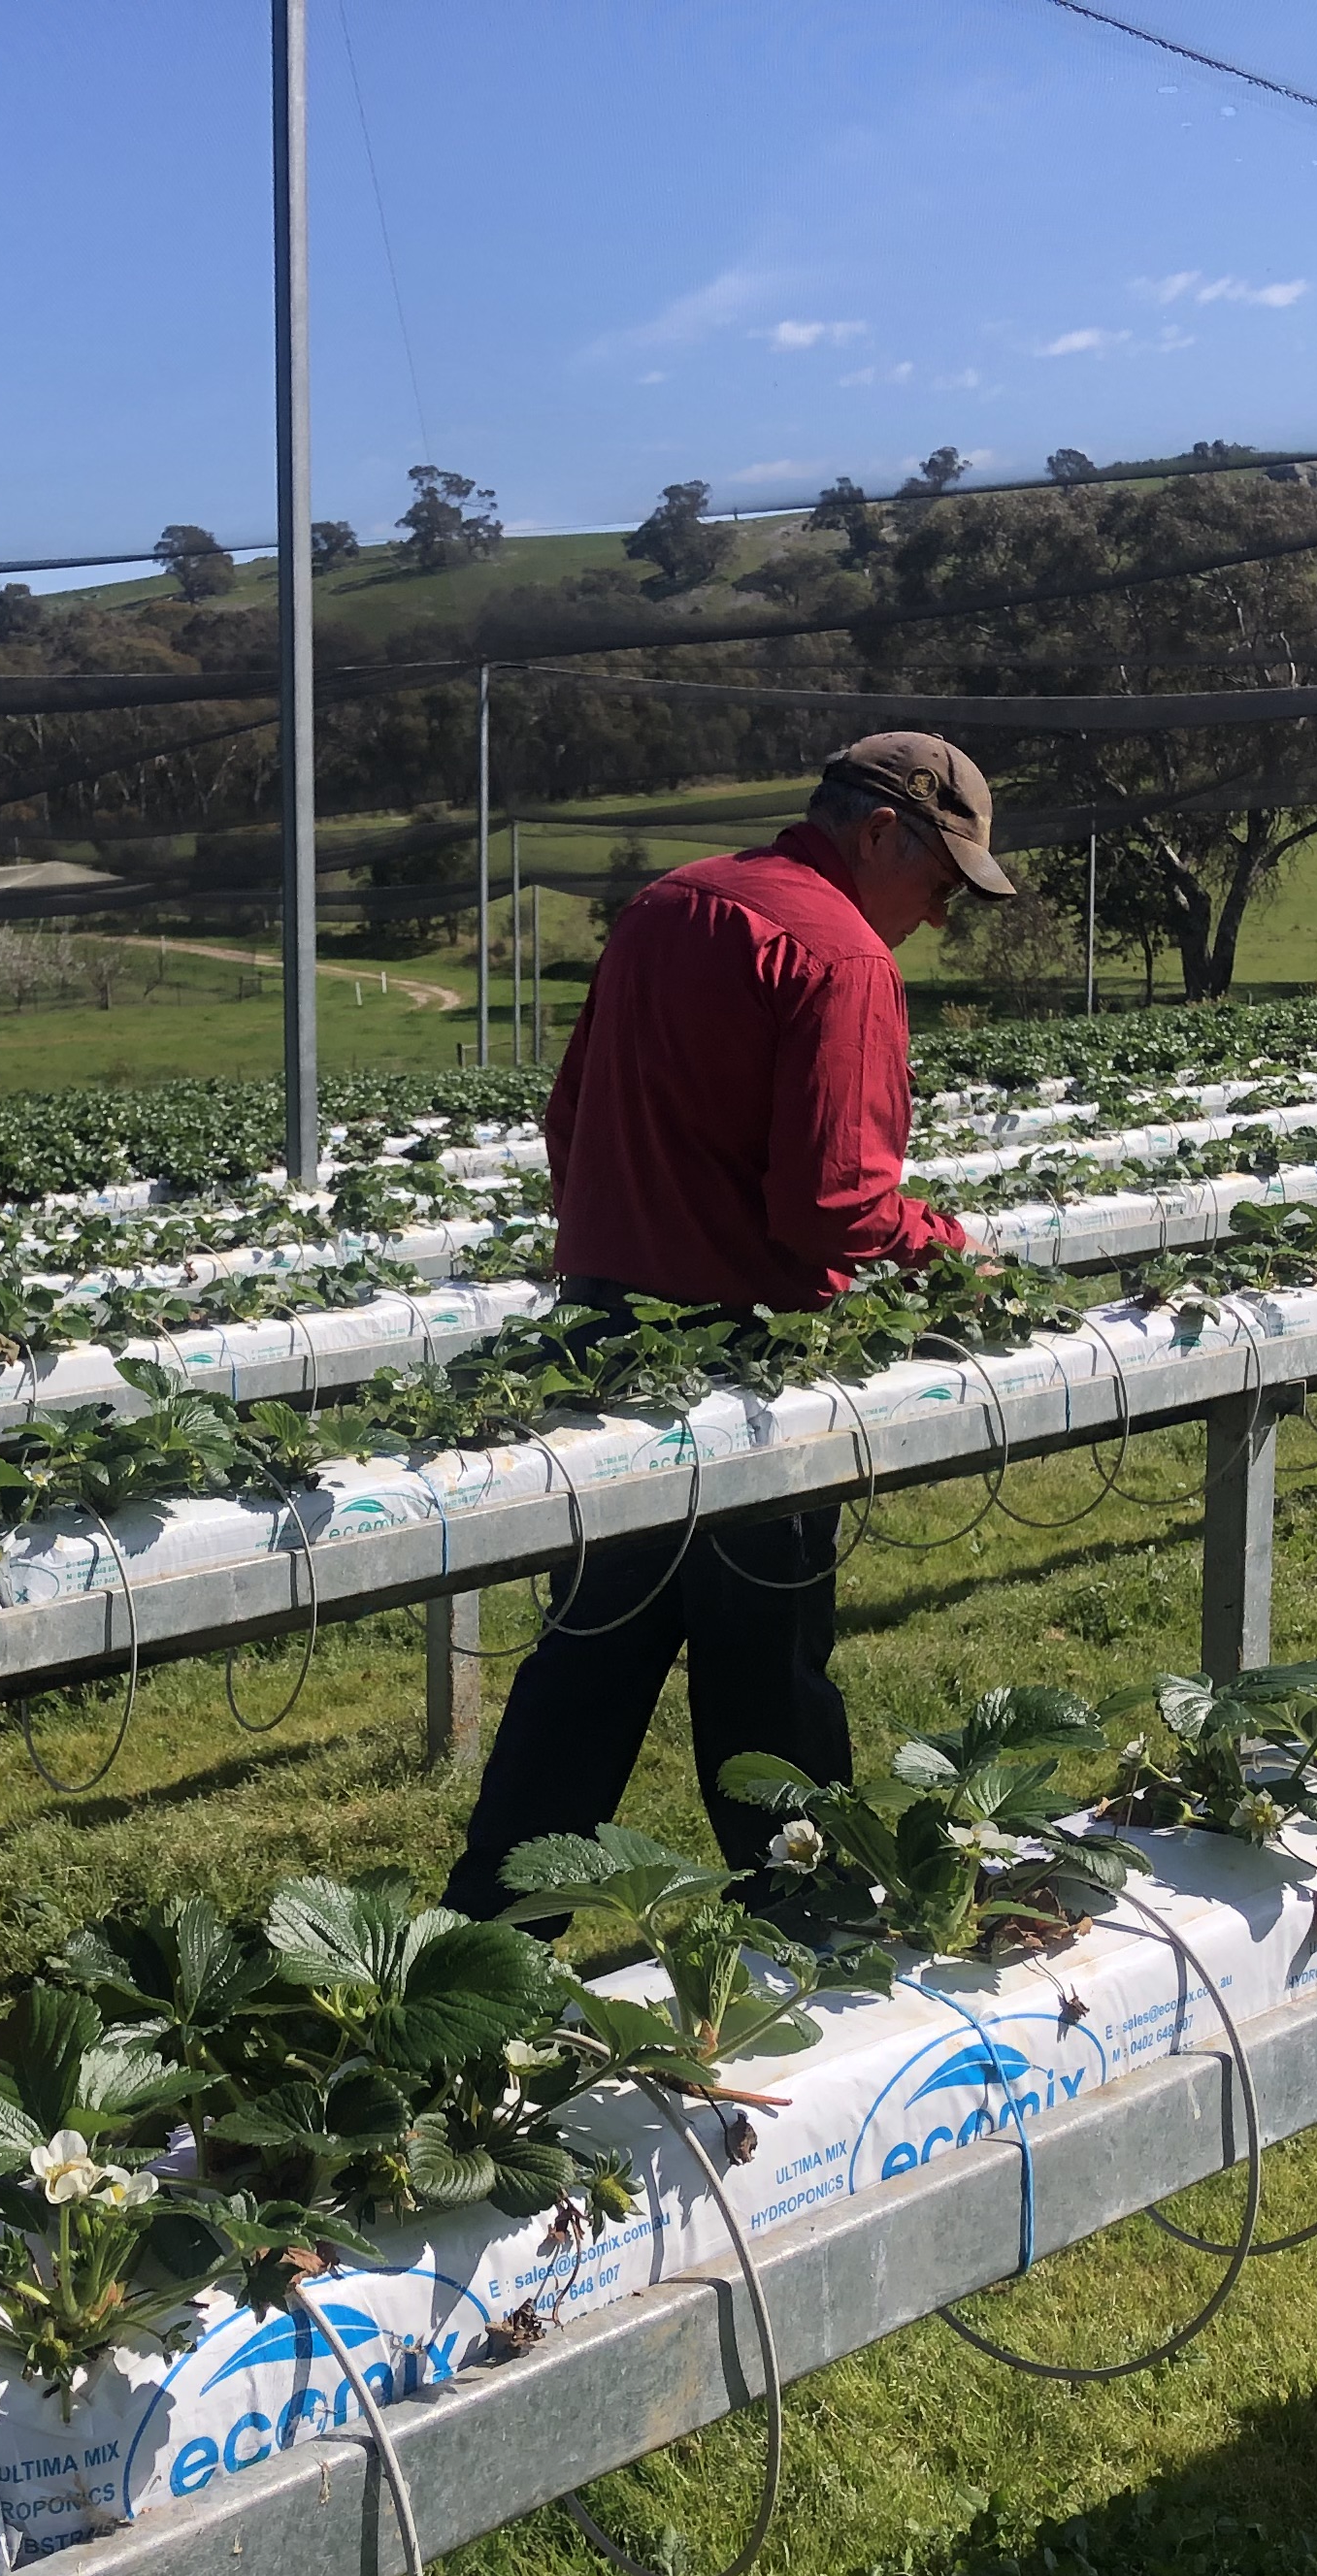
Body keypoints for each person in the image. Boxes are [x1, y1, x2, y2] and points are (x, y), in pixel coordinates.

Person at [444, 732, 1012, 1918]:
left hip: (607, 1340)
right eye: (944, 883)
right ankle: (812, 1933)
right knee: (768, 1684)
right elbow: (834, 1207)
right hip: (749, 1362)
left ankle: (478, 1955)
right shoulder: (842, 958)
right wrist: (952, 1250)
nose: (941, 916)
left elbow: (568, 1123)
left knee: (587, 1662)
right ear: (877, 834)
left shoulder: (666, 906)